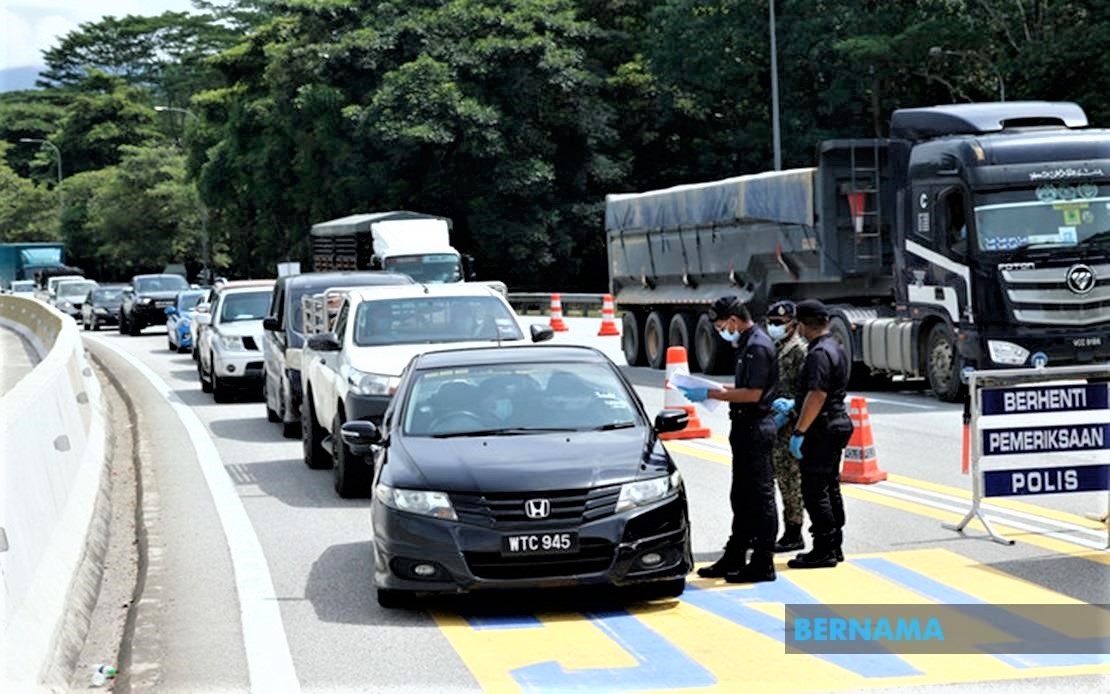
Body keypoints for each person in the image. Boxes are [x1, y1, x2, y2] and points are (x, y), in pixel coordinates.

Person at [678, 296, 779, 583]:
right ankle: (735, 555)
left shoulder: (757, 345)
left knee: (760, 498)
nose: (722, 331)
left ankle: (763, 562)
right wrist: (716, 388)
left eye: (722, 325)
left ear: (733, 321)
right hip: (745, 427)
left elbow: (753, 394)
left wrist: (710, 394)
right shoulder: (748, 343)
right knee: (742, 496)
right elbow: (743, 387)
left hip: (756, 427)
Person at [776, 299, 854, 570]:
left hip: (822, 427)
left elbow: (817, 394)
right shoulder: (835, 347)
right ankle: (834, 544)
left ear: (802, 324)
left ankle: (823, 549)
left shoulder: (818, 353)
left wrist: (799, 430)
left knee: (814, 490)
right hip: (836, 423)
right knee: (830, 487)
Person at [766, 300, 809, 553]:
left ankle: (794, 531)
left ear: (792, 324)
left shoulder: (799, 351)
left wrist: (791, 411)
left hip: (789, 424)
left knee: (789, 481)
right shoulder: (774, 347)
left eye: (779, 324)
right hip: (771, 423)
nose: (774, 327)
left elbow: (806, 390)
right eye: (770, 323)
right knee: (769, 480)